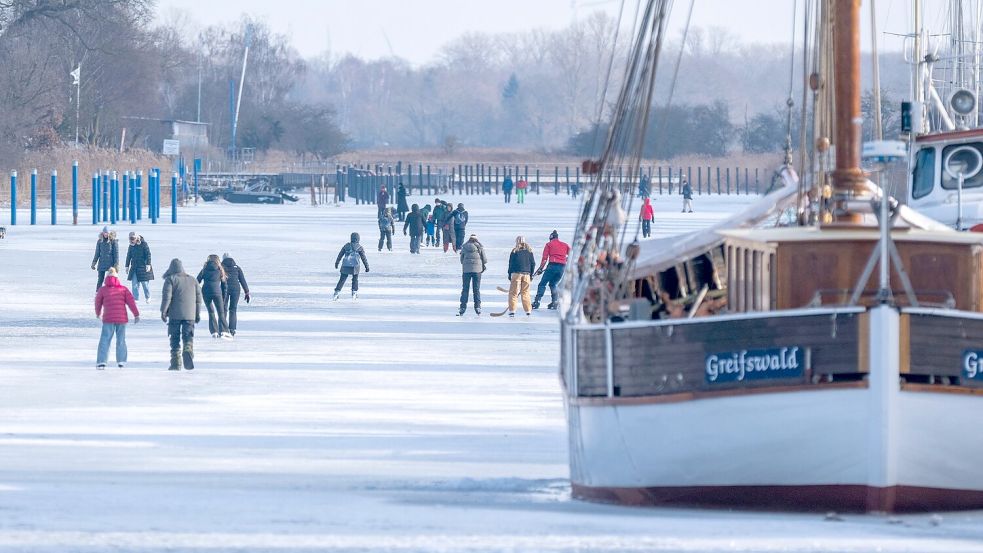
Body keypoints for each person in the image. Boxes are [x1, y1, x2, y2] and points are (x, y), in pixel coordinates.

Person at [160, 258, 203, 370]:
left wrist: (163, 311)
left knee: (174, 337)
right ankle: (188, 348)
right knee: (188, 334)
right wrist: (197, 314)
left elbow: (167, 297)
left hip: (174, 314)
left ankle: (176, 362)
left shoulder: (170, 280)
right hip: (190, 314)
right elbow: (198, 300)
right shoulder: (193, 280)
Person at [94, 267, 140, 369]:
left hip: (108, 319)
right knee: (121, 340)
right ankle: (122, 361)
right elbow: (131, 302)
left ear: (106, 278)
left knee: (105, 340)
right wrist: (136, 314)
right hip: (121, 319)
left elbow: (98, 302)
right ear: (117, 278)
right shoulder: (123, 289)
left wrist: (98, 313)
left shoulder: (102, 290)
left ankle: (101, 362)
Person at [532, 230, 570, 310]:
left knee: (542, 284)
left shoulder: (549, 244)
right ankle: (555, 302)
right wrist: (564, 259)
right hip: (562, 267)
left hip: (552, 266)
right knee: (553, 284)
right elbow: (572, 254)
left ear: (551, 238)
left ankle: (537, 302)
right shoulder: (565, 245)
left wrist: (540, 269)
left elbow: (545, 259)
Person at [197, 254, 230, 338]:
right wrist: (223, 297)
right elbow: (224, 285)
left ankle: (214, 332)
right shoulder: (220, 270)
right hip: (217, 293)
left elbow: (197, 281)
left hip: (206, 292)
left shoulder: (204, 270)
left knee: (211, 312)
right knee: (221, 313)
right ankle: (224, 331)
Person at [333, 232, 370, 300]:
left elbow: (340, 255)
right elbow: (363, 258)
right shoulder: (359, 247)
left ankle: (336, 292)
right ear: (358, 239)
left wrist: (337, 263)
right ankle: (354, 292)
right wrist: (367, 266)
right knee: (355, 279)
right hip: (355, 266)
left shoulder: (346, 246)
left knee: (342, 279)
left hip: (345, 265)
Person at [506, 236, 536, 318]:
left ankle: (512, 311)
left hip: (516, 274)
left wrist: (509, 274)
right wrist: (531, 274)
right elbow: (533, 263)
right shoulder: (529, 251)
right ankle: (528, 311)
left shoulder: (514, 251)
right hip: (526, 275)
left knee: (513, 293)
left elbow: (511, 264)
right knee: (525, 293)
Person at [221, 254, 250, 337]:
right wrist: (247, 292)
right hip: (236, 289)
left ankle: (223, 329)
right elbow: (242, 280)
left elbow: (216, 278)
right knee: (233, 309)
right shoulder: (237, 267)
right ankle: (232, 329)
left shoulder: (221, 267)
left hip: (224, 289)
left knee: (224, 309)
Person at [458, 234, 487, 316]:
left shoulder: (464, 247)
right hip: (477, 271)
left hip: (466, 271)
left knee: (465, 289)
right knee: (476, 289)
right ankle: (477, 307)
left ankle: (462, 307)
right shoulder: (479, 247)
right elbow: (484, 259)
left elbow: (461, 260)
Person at [125, 232, 153, 302]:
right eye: (130, 239)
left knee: (145, 284)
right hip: (134, 267)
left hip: (143, 267)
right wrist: (127, 266)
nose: (132, 240)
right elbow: (128, 256)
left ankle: (148, 297)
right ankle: (135, 299)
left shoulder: (144, 244)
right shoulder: (131, 246)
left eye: (133, 238)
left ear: (136, 238)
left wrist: (148, 264)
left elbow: (148, 254)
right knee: (134, 285)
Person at [90, 226, 119, 291]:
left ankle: (111, 293)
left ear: (109, 233)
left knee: (111, 280)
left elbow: (116, 254)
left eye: (107, 233)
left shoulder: (113, 241)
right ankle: (98, 293)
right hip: (102, 263)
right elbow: (97, 253)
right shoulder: (100, 241)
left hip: (110, 264)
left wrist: (116, 265)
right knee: (100, 279)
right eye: (104, 232)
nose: (105, 234)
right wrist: (94, 263)